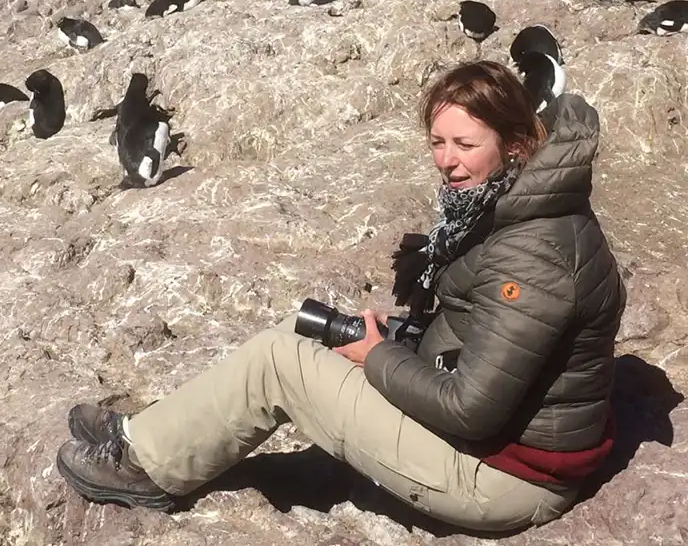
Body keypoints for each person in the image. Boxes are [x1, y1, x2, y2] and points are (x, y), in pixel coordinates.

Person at [54, 60, 626, 532]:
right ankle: (150, 436)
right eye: (437, 141)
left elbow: (470, 410)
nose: (446, 160)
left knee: (279, 364)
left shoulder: (534, 253)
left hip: (502, 479)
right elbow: (486, 329)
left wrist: (379, 356)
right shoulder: (520, 203)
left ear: (516, 143)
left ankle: (145, 470)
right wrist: (399, 338)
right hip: (496, 445)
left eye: (465, 144)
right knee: (303, 332)